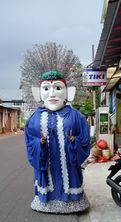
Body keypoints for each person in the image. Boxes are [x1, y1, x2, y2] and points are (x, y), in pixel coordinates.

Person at [25, 69, 90, 213]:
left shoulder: (76, 116)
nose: (52, 94)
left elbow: (85, 141)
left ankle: (72, 200)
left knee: (69, 178)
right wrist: (39, 144)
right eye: (46, 88)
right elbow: (30, 142)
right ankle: (45, 199)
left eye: (58, 88)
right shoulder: (34, 118)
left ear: (68, 91)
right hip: (46, 162)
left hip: (68, 163)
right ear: (38, 92)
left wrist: (74, 142)